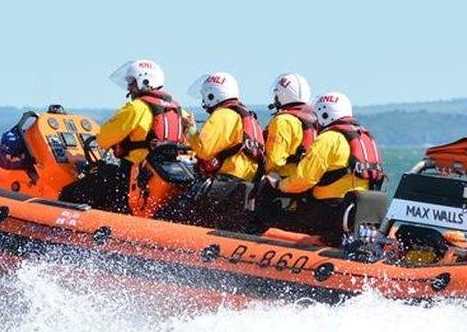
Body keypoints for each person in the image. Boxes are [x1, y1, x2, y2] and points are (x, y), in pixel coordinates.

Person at [61, 59, 190, 212]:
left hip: (130, 176)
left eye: (132, 82)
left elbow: (103, 139)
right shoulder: (178, 111)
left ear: (144, 81)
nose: (129, 87)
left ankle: (59, 230)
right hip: (157, 175)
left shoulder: (135, 108)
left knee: (70, 193)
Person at [264, 91, 384, 244]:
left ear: (325, 115)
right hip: (359, 212)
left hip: (329, 212)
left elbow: (304, 179)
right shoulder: (366, 137)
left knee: (274, 219)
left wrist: (279, 184)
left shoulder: (328, 139)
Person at [161, 72, 265, 230]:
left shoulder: (223, 115)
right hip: (246, 183)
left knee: (176, 210)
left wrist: (189, 129)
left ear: (212, 95)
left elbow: (204, 149)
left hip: (227, 182)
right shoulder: (246, 116)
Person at [252, 72, 318, 228]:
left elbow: (274, 160)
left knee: (257, 216)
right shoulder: (315, 120)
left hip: (283, 183)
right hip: (306, 185)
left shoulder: (283, 120)